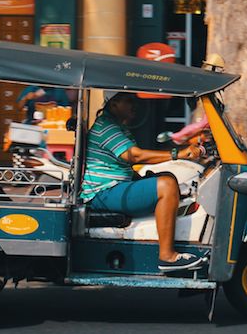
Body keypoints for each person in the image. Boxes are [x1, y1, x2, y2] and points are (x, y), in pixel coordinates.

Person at [81, 92, 205, 272]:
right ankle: (167, 256)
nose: (135, 106)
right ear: (114, 103)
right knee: (166, 185)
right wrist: (178, 153)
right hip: (103, 194)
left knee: (167, 177)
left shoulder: (115, 126)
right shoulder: (106, 127)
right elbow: (134, 155)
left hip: (113, 188)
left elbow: (121, 165)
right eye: (129, 101)